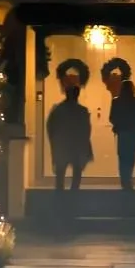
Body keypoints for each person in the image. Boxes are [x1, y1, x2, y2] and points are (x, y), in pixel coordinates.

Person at [46, 62, 93, 190]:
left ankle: (60, 198)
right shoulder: (82, 111)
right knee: (76, 173)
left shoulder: (58, 110)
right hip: (76, 147)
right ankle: (73, 196)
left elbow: (50, 127)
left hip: (62, 146)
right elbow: (86, 131)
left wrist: (54, 143)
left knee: (60, 173)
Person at [106, 60, 135, 190]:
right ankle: (129, 179)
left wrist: (119, 123)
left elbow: (112, 117)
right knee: (131, 156)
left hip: (122, 132)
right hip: (133, 132)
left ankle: (125, 181)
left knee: (122, 157)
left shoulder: (116, 102)